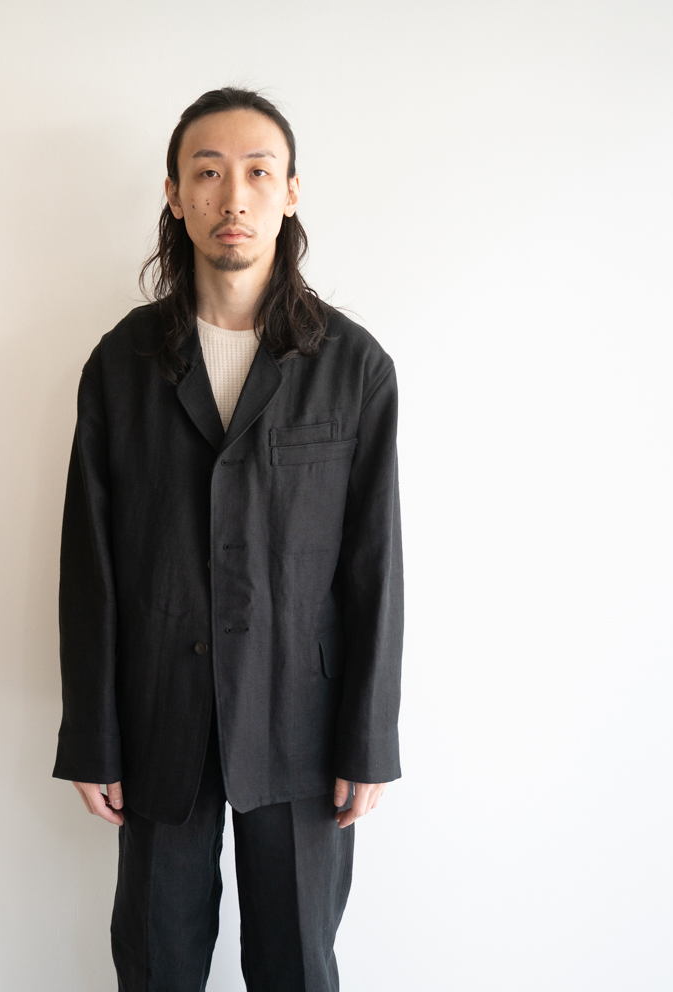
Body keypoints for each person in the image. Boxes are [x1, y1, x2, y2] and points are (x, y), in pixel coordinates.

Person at [52, 87, 403, 992]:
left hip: (302, 723)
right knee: (157, 963)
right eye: (208, 173)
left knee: (297, 964)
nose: (233, 196)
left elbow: (374, 567)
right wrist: (92, 734)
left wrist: (368, 738)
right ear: (175, 194)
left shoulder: (354, 367)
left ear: (291, 193)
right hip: (159, 716)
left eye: (257, 172)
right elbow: (89, 566)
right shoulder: (123, 364)